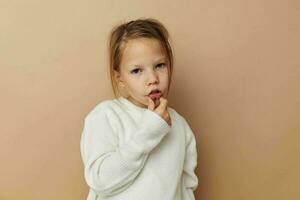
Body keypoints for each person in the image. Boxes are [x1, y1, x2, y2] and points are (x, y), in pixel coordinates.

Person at [80, 18, 198, 200]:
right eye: (137, 71)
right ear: (119, 78)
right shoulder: (106, 116)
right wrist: (150, 130)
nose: (153, 79)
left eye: (160, 66)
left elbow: (186, 187)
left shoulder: (179, 125)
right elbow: (100, 181)